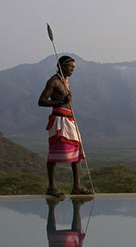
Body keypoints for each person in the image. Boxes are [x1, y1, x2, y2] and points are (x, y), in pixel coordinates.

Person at [38, 55, 92, 197]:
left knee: (77, 153)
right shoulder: (54, 81)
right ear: (61, 66)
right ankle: (51, 187)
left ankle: (77, 186)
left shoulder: (66, 81)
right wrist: (60, 102)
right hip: (59, 121)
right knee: (54, 154)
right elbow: (41, 101)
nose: (72, 70)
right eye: (70, 67)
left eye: (74, 68)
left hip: (69, 120)